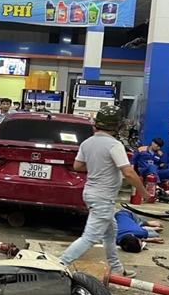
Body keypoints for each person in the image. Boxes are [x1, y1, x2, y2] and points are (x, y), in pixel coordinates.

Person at [59, 105, 148, 277]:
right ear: (117, 126)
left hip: (91, 193)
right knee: (90, 237)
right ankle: (60, 263)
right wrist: (143, 192)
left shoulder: (87, 143)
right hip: (103, 197)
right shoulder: (114, 145)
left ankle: (117, 269)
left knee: (110, 233)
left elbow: (78, 165)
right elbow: (128, 172)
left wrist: (98, 166)